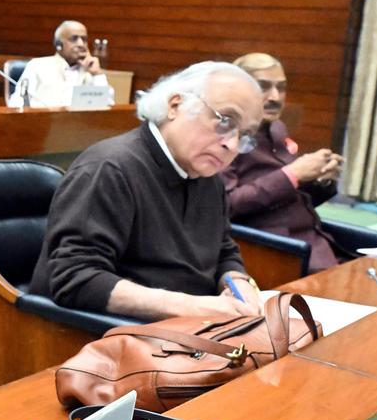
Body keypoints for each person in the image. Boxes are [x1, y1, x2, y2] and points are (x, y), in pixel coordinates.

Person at [31, 61, 264, 321]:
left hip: (190, 332)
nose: (231, 144)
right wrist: (193, 307)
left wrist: (237, 283)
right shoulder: (109, 169)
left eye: (245, 135)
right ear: (175, 105)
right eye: (224, 121)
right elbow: (74, 278)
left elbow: (223, 251)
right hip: (103, 338)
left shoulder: (208, 176)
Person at [223, 53, 348, 272]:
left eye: (281, 87)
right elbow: (225, 206)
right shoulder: (224, 134)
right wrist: (293, 174)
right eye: (263, 87)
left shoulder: (276, 128)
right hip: (274, 254)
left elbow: (291, 199)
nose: (275, 97)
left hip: (318, 243)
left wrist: (320, 179)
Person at [7, 20, 114, 108]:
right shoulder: (38, 65)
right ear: (58, 45)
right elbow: (17, 102)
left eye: (84, 39)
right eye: (74, 39)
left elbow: (108, 106)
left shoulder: (89, 70)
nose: (81, 44)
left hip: (79, 129)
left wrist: (97, 74)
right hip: (44, 127)